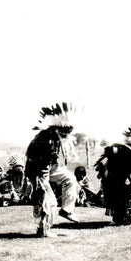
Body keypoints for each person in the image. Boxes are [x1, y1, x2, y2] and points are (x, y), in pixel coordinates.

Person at [25, 102, 80, 238]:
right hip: (37, 172)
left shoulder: (53, 138)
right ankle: (44, 230)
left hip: (49, 169)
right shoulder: (45, 140)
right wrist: (40, 183)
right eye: (66, 132)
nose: (67, 135)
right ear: (58, 129)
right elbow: (36, 160)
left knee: (70, 179)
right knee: (48, 200)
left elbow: (51, 161)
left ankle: (67, 210)